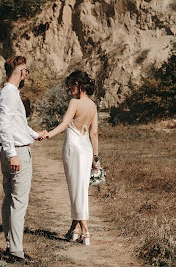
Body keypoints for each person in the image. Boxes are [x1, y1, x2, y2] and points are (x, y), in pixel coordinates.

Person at [0, 55, 47, 263]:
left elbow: (18, 124)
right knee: (18, 202)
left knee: (9, 199)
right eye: (26, 71)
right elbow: (4, 127)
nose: (27, 74)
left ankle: (11, 245)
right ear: (21, 72)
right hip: (16, 153)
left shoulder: (9, 94)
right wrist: (12, 154)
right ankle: (16, 251)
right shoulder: (9, 95)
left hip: (13, 149)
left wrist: (35, 135)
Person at [44, 70, 99, 246]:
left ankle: (86, 231)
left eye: (71, 84)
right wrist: (96, 157)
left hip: (73, 148)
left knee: (75, 189)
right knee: (80, 188)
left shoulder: (74, 102)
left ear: (79, 85)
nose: (69, 87)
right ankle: (74, 230)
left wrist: (49, 134)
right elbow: (94, 133)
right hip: (86, 149)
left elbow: (65, 124)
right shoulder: (93, 106)